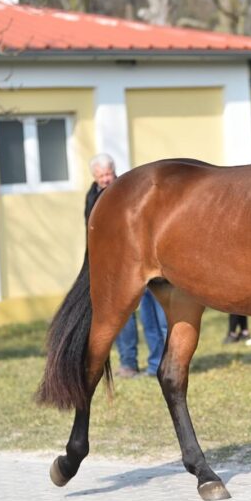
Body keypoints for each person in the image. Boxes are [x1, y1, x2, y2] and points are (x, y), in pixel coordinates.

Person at [85, 153, 167, 377]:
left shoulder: (129, 192)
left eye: (108, 173)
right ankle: (129, 362)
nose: (105, 179)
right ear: (94, 177)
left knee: (157, 314)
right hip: (118, 266)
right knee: (124, 318)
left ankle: (159, 362)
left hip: (145, 260)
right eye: (100, 175)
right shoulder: (92, 198)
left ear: (114, 171)